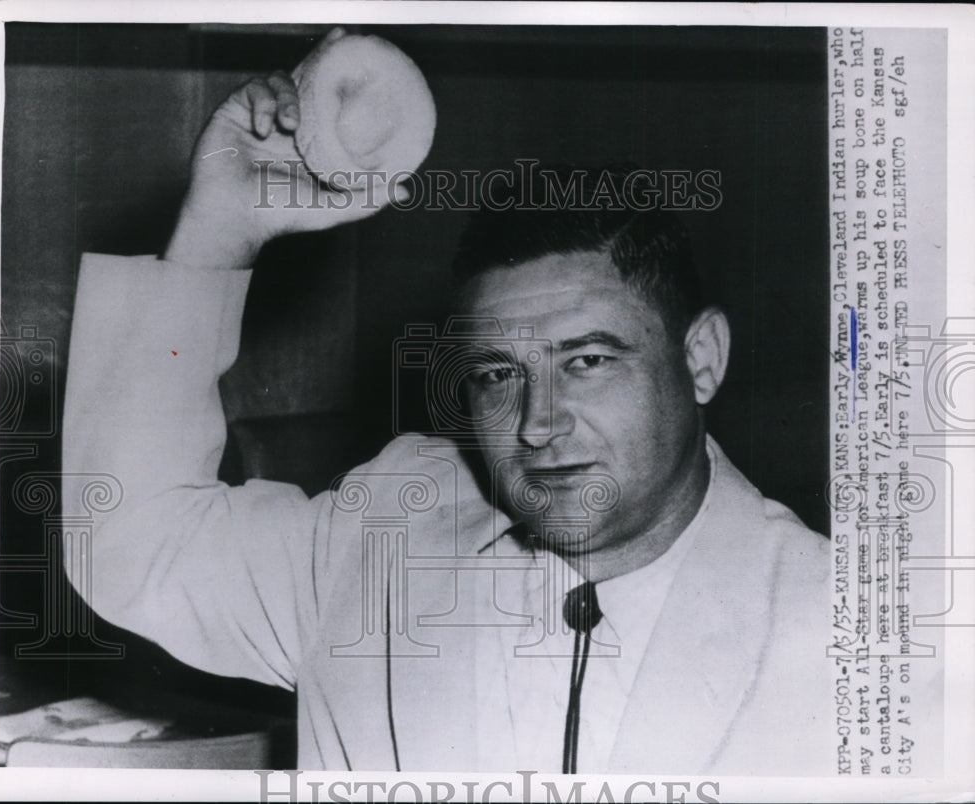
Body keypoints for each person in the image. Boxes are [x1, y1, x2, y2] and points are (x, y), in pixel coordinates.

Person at [62, 57, 831, 775]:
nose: (538, 423)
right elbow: (130, 540)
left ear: (701, 358)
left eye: (587, 361)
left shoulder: (842, 628)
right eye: (499, 374)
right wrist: (219, 232)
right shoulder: (386, 532)